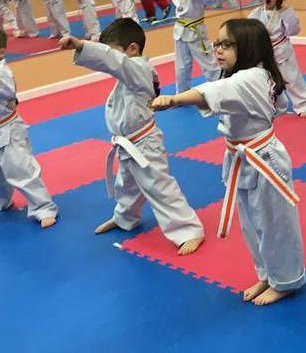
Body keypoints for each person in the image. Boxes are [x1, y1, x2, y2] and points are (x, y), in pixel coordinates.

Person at [151, 18, 306, 306]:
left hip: (264, 160)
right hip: (245, 157)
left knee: (274, 224)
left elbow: (208, 92)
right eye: (217, 43)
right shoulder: (250, 75)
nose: (218, 50)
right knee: (252, 224)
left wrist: (174, 100)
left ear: (248, 47)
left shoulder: (249, 78)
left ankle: (286, 280)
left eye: (227, 44)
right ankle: (267, 273)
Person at [58, 19, 205, 255]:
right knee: (127, 185)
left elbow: (114, 61)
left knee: (159, 187)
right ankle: (125, 217)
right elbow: (114, 61)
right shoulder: (130, 75)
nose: (111, 60)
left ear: (133, 49)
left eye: (113, 50)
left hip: (144, 143)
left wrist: (81, 45)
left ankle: (188, 230)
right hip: (129, 143)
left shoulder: (138, 69)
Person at [0, 28, 57, 228]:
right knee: (1, 172)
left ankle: (43, 207)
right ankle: (3, 200)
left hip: (8, 128)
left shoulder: (2, 72)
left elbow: (9, 92)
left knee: (20, 169)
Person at [249, 0, 306, 117]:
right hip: (263, 52)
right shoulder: (256, 13)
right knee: (266, 81)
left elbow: (294, 31)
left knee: (291, 78)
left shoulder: (284, 12)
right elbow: (249, 30)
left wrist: (287, 15)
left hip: (281, 49)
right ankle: (273, 107)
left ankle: (303, 104)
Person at [169, 0, 221, 93]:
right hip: (180, 31)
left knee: (208, 63)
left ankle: (220, 89)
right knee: (181, 66)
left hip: (196, 31)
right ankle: (182, 92)